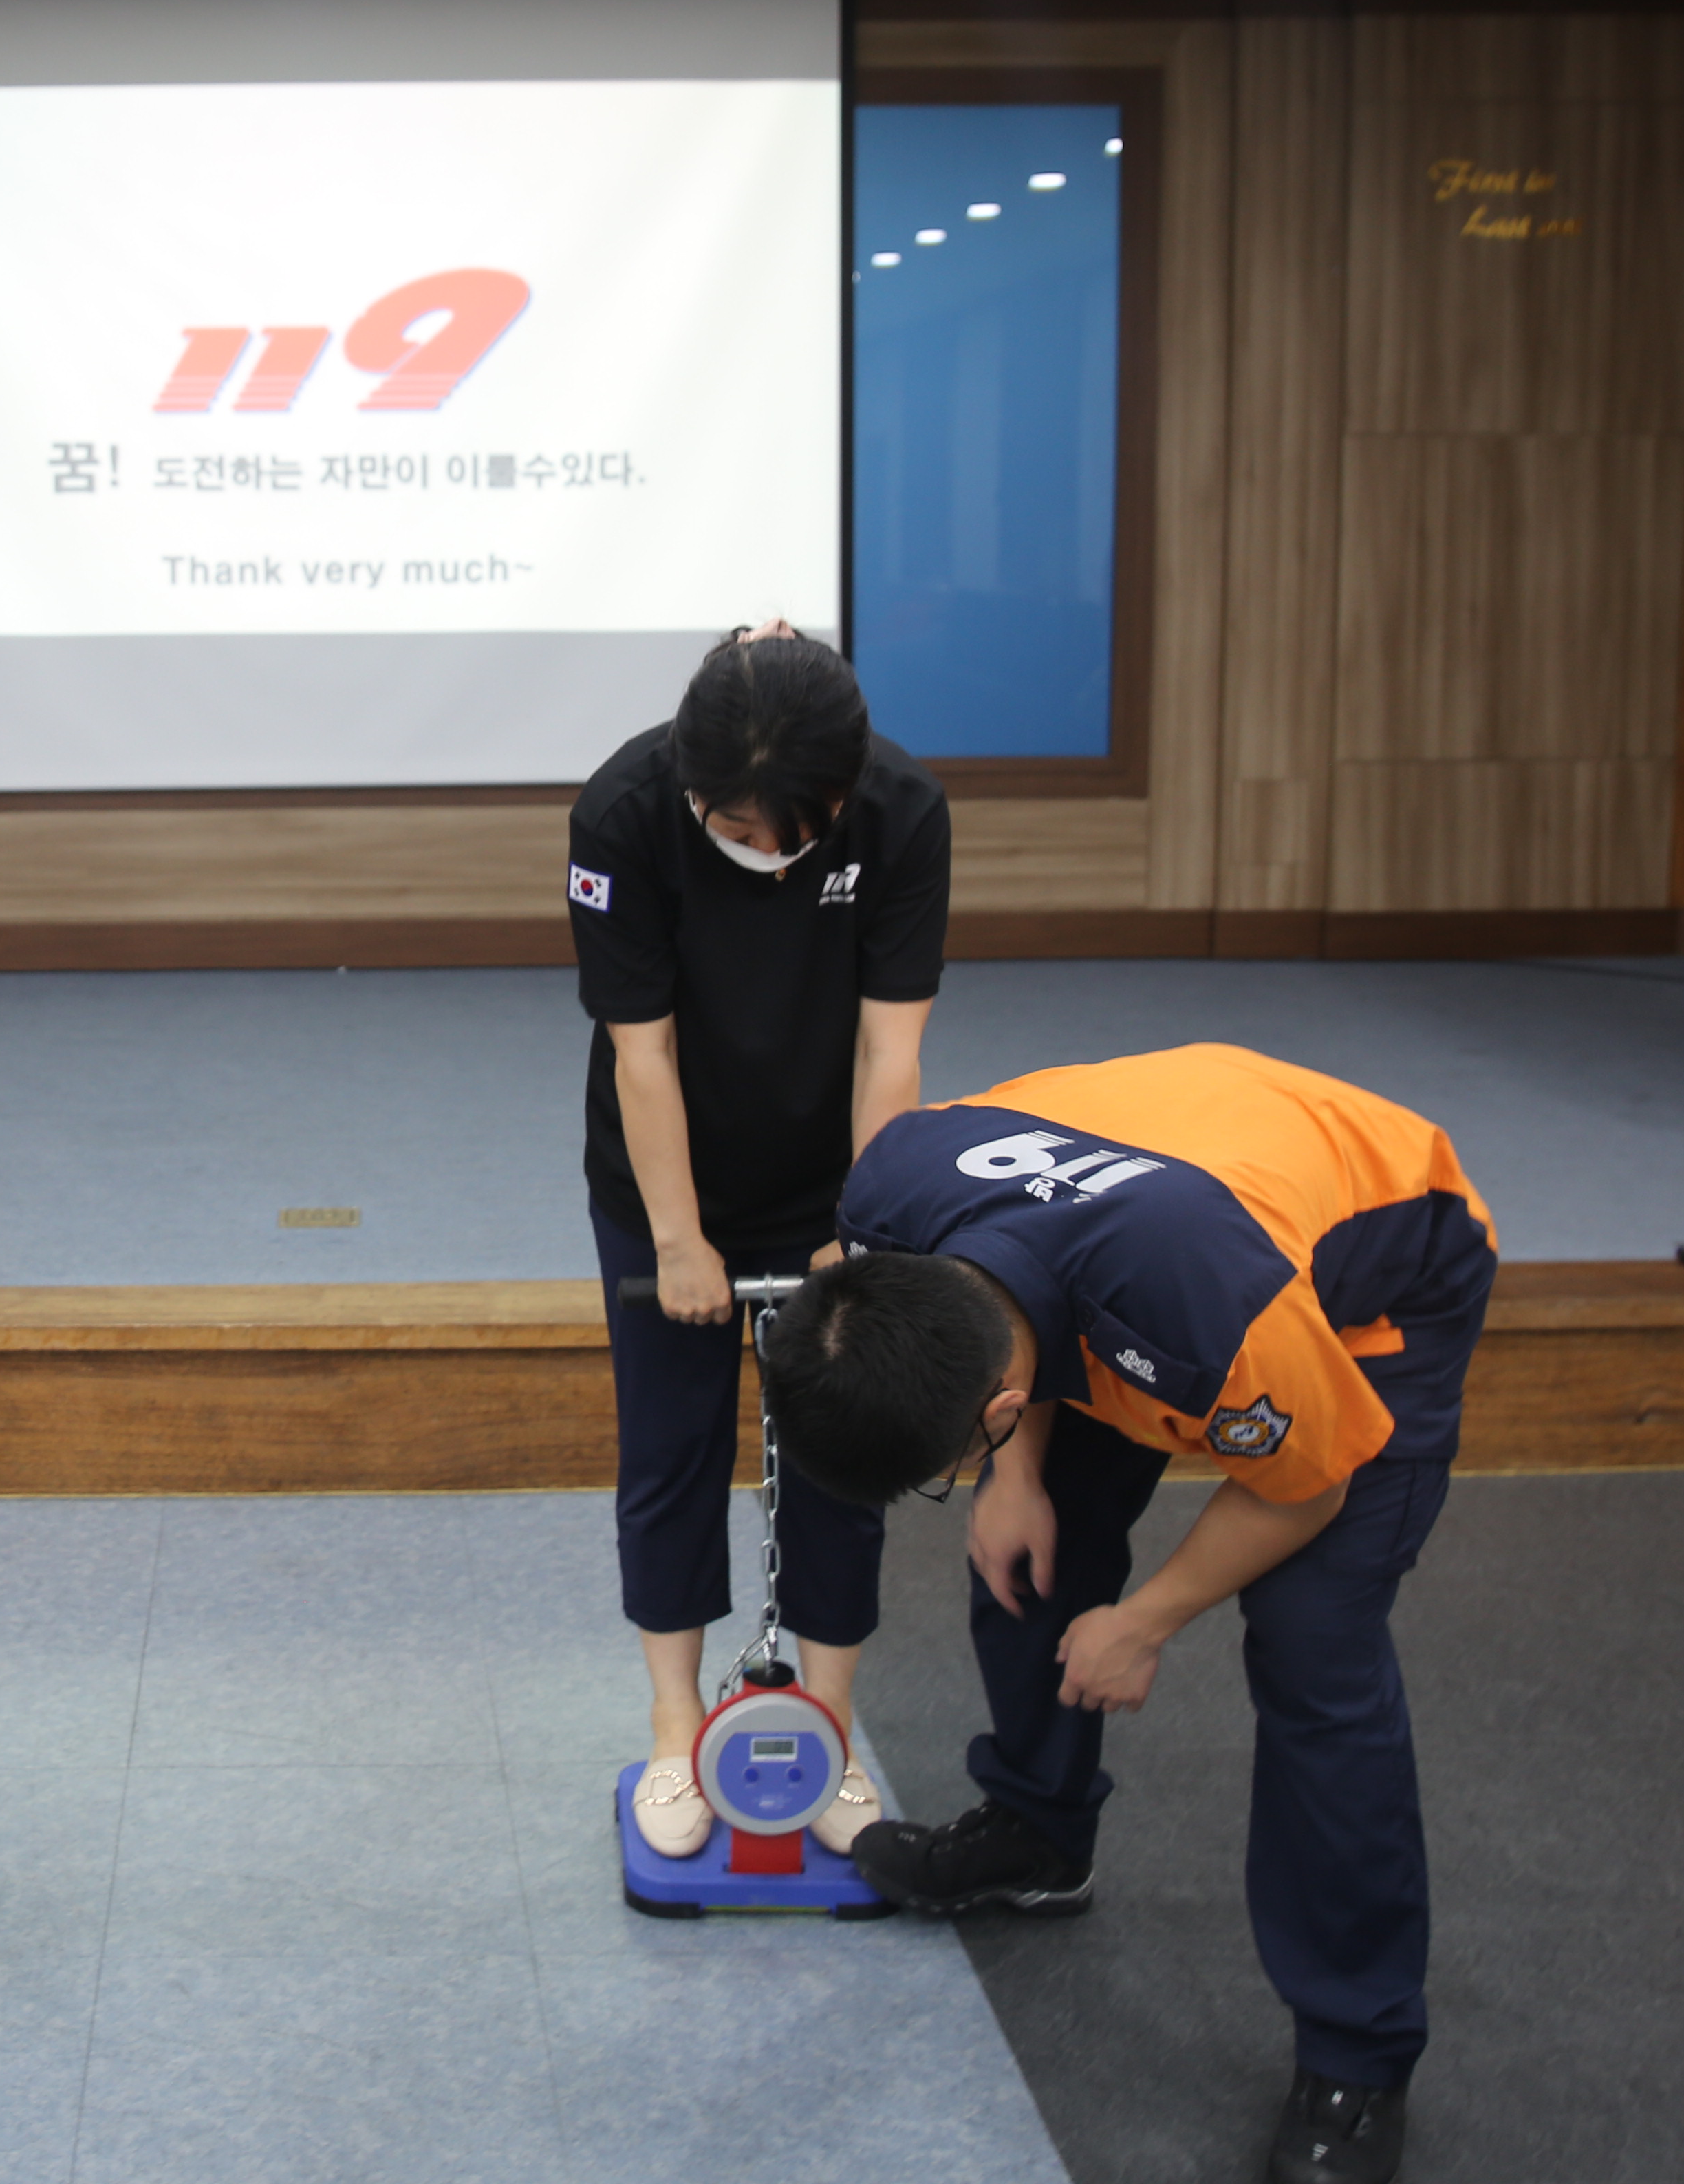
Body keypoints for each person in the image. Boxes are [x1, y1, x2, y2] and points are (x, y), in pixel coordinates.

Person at [758, 1043, 1494, 2184]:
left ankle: (1359, 2052)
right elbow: (991, 1306)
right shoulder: (888, 1195)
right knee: (1029, 1538)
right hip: (1156, 1191)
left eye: (962, 1455)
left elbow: (1306, 1487)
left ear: (999, 1402)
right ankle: (1037, 1835)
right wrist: (1009, 1477)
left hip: (1378, 1264)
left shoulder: (1214, 1313)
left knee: (1312, 1643)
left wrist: (1146, 1621)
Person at [566, 622, 951, 1859]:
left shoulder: (902, 812)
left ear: (838, 796)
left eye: (785, 835)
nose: (759, 854)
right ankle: (676, 1726)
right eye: (732, 828)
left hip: (833, 1175)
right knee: (671, 1450)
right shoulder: (623, 812)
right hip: (665, 1176)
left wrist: (862, 1230)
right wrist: (679, 1241)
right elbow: (642, 1051)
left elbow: (892, 1050)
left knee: (842, 1450)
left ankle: (830, 1729)